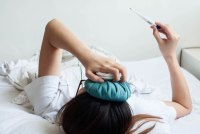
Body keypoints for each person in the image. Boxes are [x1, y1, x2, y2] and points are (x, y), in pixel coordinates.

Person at [24, 19, 192, 134]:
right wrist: (170, 55)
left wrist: (87, 57)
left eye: (86, 86)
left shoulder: (51, 106)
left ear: (71, 105)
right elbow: (183, 105)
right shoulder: (144, 110)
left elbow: (53, 28)